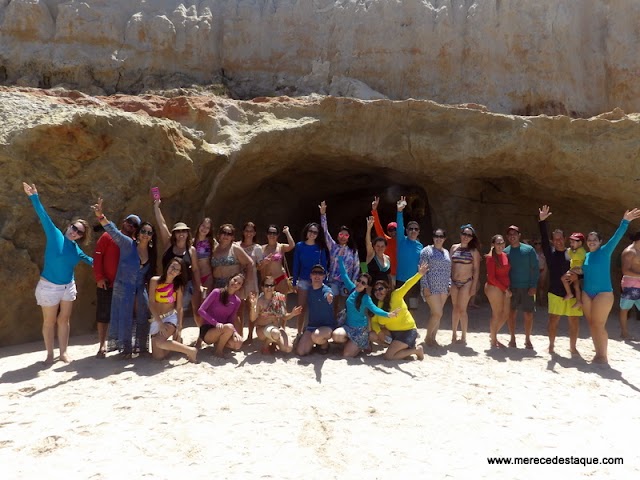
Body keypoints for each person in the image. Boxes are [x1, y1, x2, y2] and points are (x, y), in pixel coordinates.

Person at [23, 182, 93, 364]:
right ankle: (49, 354)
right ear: (69, 226)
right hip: (49, 286)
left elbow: (92, 261)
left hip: (68, 286)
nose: (74, 232)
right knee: (49, 321)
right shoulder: (55, 235)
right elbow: (43, 216)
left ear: (81, 237)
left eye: (79, 232)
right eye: (73, 227)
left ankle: (63, 353)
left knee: (64, 319)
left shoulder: (76, 250)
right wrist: (34, 197)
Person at [91, 199, 155, 358]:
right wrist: (100, 216)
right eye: (143, 231)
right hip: (123, 287)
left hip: (139, 288)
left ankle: (141, 348)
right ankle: (125, 349)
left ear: (152, 236)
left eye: (149, 232)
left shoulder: (152, 252)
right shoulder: (128, 244)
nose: (145, 235)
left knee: (142, 315)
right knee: (123, 316)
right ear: (138, 233)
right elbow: (112, 231)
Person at [582, 208, 640, 363]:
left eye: (595, 240)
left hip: (603, 293)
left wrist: (625, 221)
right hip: (587, 293)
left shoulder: (605, 251)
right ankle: (598, 352)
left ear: (600, 242)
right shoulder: (586, 256)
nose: (592, 242)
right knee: (592, 324)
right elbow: (586, 272)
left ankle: (603, 356)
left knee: (599, 324)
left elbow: (617, 236)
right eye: (589, 239)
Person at [538, 205, 583, 355]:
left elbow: (582, 268)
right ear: (552, 240)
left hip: (573, 293)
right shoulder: (550, 254)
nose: (558, 241)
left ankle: (573, 347)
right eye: (555, 239)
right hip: (556, 292)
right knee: (553, 320)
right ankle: (551, 346)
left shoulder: (572, 253)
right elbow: (544, 241)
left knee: (574, 321)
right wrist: (542, 221)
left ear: (565, 238)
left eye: (560, 238)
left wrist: (579, 276)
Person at [153, 200, 202, 337]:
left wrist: (198, 287)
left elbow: (196, 269)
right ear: (174, 234)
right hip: (168, 285)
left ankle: (190, 336)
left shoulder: (191, 250)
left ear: (187, 233)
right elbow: (162, 224)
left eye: (184, 231)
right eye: (178, 231)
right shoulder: (168, 244)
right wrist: (156, 207)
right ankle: (167, 336)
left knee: (188, 310)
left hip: (186, 285)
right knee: (168, 311)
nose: (181, 234)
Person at [331, 257, 396, 357]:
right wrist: (340, 258)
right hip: (348, 327)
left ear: (366, 286)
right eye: (359, 280)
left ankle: (364, 343)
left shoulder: (366, 298)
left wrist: (388, 314)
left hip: (360, 331)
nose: (360, 283)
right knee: (336, 336)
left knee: (347, 355)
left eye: (363, 283)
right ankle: (350, 341)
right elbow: (344, 275)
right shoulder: (352, 289)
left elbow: (375, 309)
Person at [94, 213, 137, 357]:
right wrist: (99, 277)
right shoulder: (107, 236)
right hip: (107, 284)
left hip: (124, 286)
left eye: (134, 225)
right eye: (129, 222)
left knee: (123, 315)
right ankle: (102, 345)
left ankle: (122, 345)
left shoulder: (133, 243)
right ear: (124, 221)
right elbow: (98, 256)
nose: (131, 226)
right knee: (103, 315)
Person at [371, 263, 428, 360]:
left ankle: (416, 350)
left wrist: (419, 274)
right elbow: (374, 322)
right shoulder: (378, 306)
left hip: (407, 332)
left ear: (387, 289)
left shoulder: (396, 295)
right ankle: (397, 348)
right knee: (372, 335)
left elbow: (407, 285)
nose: (378, 291)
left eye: (381, 288)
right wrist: (379, 332)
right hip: (392, 334)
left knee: (389, 356)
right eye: (375, 290)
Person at [147, 257, 197, 362]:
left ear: (179, 273)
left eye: (177, 270)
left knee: (160, 342)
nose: (173, 270)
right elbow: (151, 303)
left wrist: (179, 326)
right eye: (172, 267)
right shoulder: (155, 281)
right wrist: (159, 322)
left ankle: (191, 351)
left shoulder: (178, 286)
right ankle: (175, 345)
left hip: (170, 318)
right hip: (157, 319)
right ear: (168, 266)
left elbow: (179, 307)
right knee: (158, 356)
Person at [209, 223, 254, 336]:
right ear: (219, 235)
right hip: (218, 285)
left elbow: (250, 263)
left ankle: (238, 338)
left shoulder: (235, 248)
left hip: (233, 285)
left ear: (233, 237)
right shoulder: (214, 249)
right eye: (224, 232)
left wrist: (245, 283)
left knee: (236, 313)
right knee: (219, 312)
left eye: (229, 233)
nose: (226, 235)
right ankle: (223, 337)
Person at [319, 201, 360, 317]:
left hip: (348, 281)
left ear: (349, 237)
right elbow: (325, 232)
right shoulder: (333, 247)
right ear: (337, 235)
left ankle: (345, 323)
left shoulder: (353, 250)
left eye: (346, 235)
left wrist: (354, 281)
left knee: (348, 304)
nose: (343, 237)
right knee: (334, 302)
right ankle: (334, 321)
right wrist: (323, 215)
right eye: (341, 234)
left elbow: (357, 266)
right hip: (334, 279)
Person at [504, 225, 539, 349]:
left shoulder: (529, 250)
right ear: (507, 237)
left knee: (528, 314)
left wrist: (534, 285)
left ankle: (527, 339)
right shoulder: (505, 252)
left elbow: (535, 268)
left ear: (519, 235)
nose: (512, 236)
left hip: (527, 287)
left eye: (515, 233)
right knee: (511, 313)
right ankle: (512, 338)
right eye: (510, 234)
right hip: (512, 287)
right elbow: (504, 271)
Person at [248, 276, 302, 354]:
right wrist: (253, 306)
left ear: (274, 287)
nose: (269, 288)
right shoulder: (260, 300)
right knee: (276, 333)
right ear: (262, 287)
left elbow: (284, 317)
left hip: (276, 327)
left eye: (271, 285)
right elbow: (253, 319)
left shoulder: (279, 298)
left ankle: (273, 342)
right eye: (267, 285)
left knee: (288, 348)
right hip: (262, 330)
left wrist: (292, 314)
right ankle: (266, 345)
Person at [293, 222, 329, 335]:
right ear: (306, 231)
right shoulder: (299, 246)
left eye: (315, 232)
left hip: (316, 281)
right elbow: (296, 264)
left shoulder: (320, 248)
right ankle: (299, 332)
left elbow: (324, 265)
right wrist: (294, 281)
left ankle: (311, 331)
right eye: (310, 231)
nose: (312, 234)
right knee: (301, 308)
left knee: (315, 308)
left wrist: (325, 282)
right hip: (303, 279)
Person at [197, 273, 246, 357]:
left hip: (224, 329)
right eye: (234, 280)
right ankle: (218, 351)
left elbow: (231, 318)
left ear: (241, 287)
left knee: (238, 344)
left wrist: (235, 332)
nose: (236, 284)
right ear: (230, 279)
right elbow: (201, 310)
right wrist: (215, 323)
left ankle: (218, 343)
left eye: (239, 283)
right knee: (229, 327)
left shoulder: (237, 301)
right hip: (208, 330)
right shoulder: (216, 292)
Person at [449, 224, 481, 345]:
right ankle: (453, 334)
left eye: (469, 235)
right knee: (455, 308)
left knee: (462, 309)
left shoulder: (474, 251)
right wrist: (449, 281)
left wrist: (473, 286)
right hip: (454, 282)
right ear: (460, 234)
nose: (466, 237)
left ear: (472, 237)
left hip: (467, 282)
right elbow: (450, 265)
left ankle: (463, 336)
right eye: (464, 234)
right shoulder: (454, 248)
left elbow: (476, 270)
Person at [419, 228, 451, 347]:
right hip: (431, 287)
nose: (438, 239)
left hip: (443, 288)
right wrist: (425, 287)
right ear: (433, 237)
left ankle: (433, 338)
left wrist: (449, 284)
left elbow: (448, 269)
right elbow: (422, 271)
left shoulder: (446, 252)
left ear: (444, 238)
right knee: (438, 313)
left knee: (436, 313)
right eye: (436, 236)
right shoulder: (426, 251)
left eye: (441, 236)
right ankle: (428, 337)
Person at [296, 265, 335, 356]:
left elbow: (328, 295)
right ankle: (317, 343)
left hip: (326, 327)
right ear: (310, 276)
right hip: (312, 326)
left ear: (324, 277)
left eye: (320, 273)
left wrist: (329, 297)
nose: (317, 276)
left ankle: (324, 345)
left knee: (316, 336)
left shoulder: (327, 290)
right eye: (314, 273)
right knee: (301, 351)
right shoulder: (308, 290)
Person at [235, 222, 264, 342]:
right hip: (239, 281)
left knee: (252, 308)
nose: (248, 233)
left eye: (251, 231)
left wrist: (263, 263)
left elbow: (259, 267)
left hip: (252, 281)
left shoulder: (257, 248)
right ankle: (240, 334)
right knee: (239, 309)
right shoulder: (236, 245)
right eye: (247, 230)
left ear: (254, 233)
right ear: (243, 232)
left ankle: (250, 335)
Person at [395, 195, 423, 309]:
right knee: (399, 306)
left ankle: (411, 326)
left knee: (413, 306)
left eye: (416, 229)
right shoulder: (401, 240)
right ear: (407, 231)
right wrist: (399, 211)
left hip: (414, 282)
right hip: (400, 280)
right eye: (410, 229)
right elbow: (399, 227)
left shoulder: (420, 246)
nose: (413, 231)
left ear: (419, 232)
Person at [485, 235, 511, 348]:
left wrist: (506, 288)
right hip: (494, 287)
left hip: (505, 287)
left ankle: (493, 334)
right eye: (498, 243)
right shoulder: (491, 258)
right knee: (497, 313)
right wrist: (505, 289)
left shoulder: (505, 255)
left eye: (502, 243)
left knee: (505, 314)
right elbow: (491, 278)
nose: (500, 245)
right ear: (493, 245)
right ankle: (493, 339)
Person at [260, 224, 295, 296]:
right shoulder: (261, 248)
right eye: (270, 233)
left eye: (274, 233)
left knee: (282, 303)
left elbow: (292, 245)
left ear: (278, 235)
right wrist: (264, 262)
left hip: (280, 279)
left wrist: (287, 232)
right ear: (266, 234)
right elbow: (258, 266)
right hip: (267, 281)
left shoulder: (281, 247)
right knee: (268, 304)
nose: (272, 235)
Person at [371, 196, 397, 283]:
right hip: (389, 275)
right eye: (390, 230)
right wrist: (374, 211)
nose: (393, 232)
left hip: (402, 275)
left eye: (395, 229)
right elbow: (378, 227)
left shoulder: (403, 241)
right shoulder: (386, 240)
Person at [619, 231, 640, 339]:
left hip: (638, 284)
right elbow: (625, 271)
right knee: (625, 308)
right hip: (630, 284)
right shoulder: (630, 252)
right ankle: (624, 333)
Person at [561, 233, 586, 309]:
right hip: (575, 270)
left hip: (577, 270)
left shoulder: (581, 251)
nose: (571, 244)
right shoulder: (576, 250)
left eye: (573, 242)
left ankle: (569, 293)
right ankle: (579, 301)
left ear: (580, 243)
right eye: (571, 242)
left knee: (563, 278)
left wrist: (570, 251)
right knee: (576, 286)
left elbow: (575, 257)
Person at [365, 216, 391, 285]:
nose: (380, 248)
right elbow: (368, 243)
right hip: (372, 291)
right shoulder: (371, 255)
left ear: (385, 247)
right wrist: (369, 229)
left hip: (384, 291)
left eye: (382, 246)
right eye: (378, 246)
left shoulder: (388, 258)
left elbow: (388, 275)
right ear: (374, 247)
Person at [194, 217, 215, 294]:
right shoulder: (191, 242)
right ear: (199, 225)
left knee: (204, 300)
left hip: (207, 276)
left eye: (207, 227)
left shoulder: (212, 242)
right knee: (195, 304)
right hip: (195, 278)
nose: (204, 229)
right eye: (203, 226)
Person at [532, 238, 548, 306]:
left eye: (539, 243)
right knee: (534, 286)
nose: (538, 245)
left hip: (542, 270)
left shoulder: (544, 252)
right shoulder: (532, 251)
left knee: (542, 286)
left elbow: (545, 263)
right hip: (534, 271)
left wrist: (545, 270)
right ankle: (534, 302)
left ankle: (541, 301)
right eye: (536, 243)